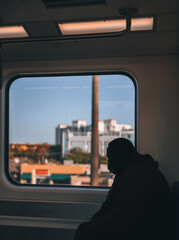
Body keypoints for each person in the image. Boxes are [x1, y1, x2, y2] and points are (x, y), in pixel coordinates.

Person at [74, 138, 172, 240]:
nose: (109, 163)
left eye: (111, 157)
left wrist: (92, 229)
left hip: (143, 233)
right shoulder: (130, 171)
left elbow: (122, 217)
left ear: (120, 156)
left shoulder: (138, 175)